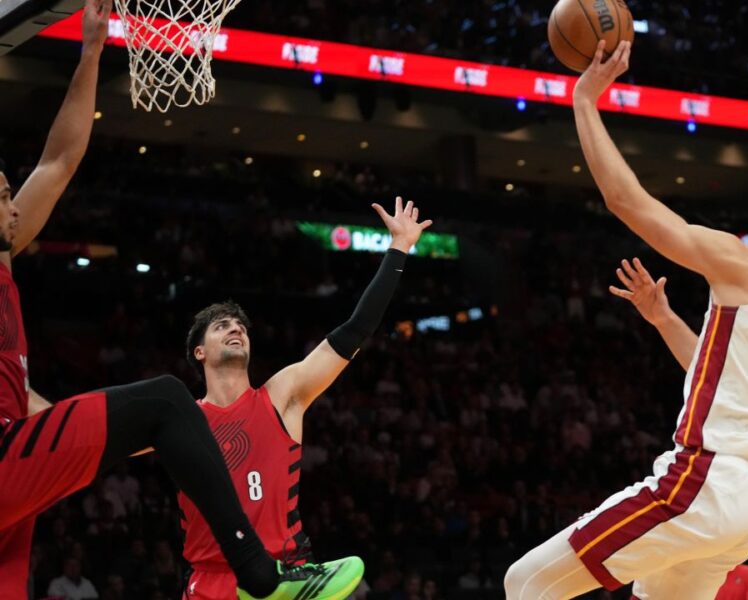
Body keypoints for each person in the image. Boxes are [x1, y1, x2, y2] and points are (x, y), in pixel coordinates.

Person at [0, 3, 362, 599]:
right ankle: (259, 574)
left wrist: (91, 51)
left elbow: (58, 162)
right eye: (3, 192)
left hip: (17, 448)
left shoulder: (9, 247)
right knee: (170, 400)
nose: (14, 202)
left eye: (12, 193)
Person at [505, 39, 748, 599]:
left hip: (702, 481)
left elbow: (629, 203)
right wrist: (665, 318)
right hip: (745, 506)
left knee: (525, 584)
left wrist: (584, 103)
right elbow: (723, 375)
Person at [178, 198, 431, 599]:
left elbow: (355, 330)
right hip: (212, 582)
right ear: (199, 352)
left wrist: (398, 248)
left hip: (285, 579)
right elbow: (103, 437)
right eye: (222, 325)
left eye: (241, 326)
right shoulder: (179, 419)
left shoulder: (283, 395)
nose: (235, 329)